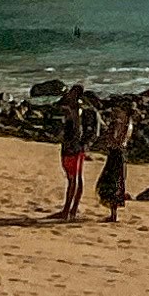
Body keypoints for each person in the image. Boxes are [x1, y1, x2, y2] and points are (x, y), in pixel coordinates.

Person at [95, 92, 136, 224]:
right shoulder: (129, 123)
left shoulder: (121, 123)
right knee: (117, 182)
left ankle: (113, 214)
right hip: (120, 153)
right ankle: (113, 213)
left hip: (116, 153)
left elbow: (116, 139)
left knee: (112, 182)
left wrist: (109, 137)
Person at [56, 85, 91, 223]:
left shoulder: (76, 110)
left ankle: (69, 210)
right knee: (74, 178)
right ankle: (71, 209)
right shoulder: (73, 109)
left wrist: (72, 145)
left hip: (73, 149)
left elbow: (77, 130)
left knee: (73, 179)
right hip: (73, 147)